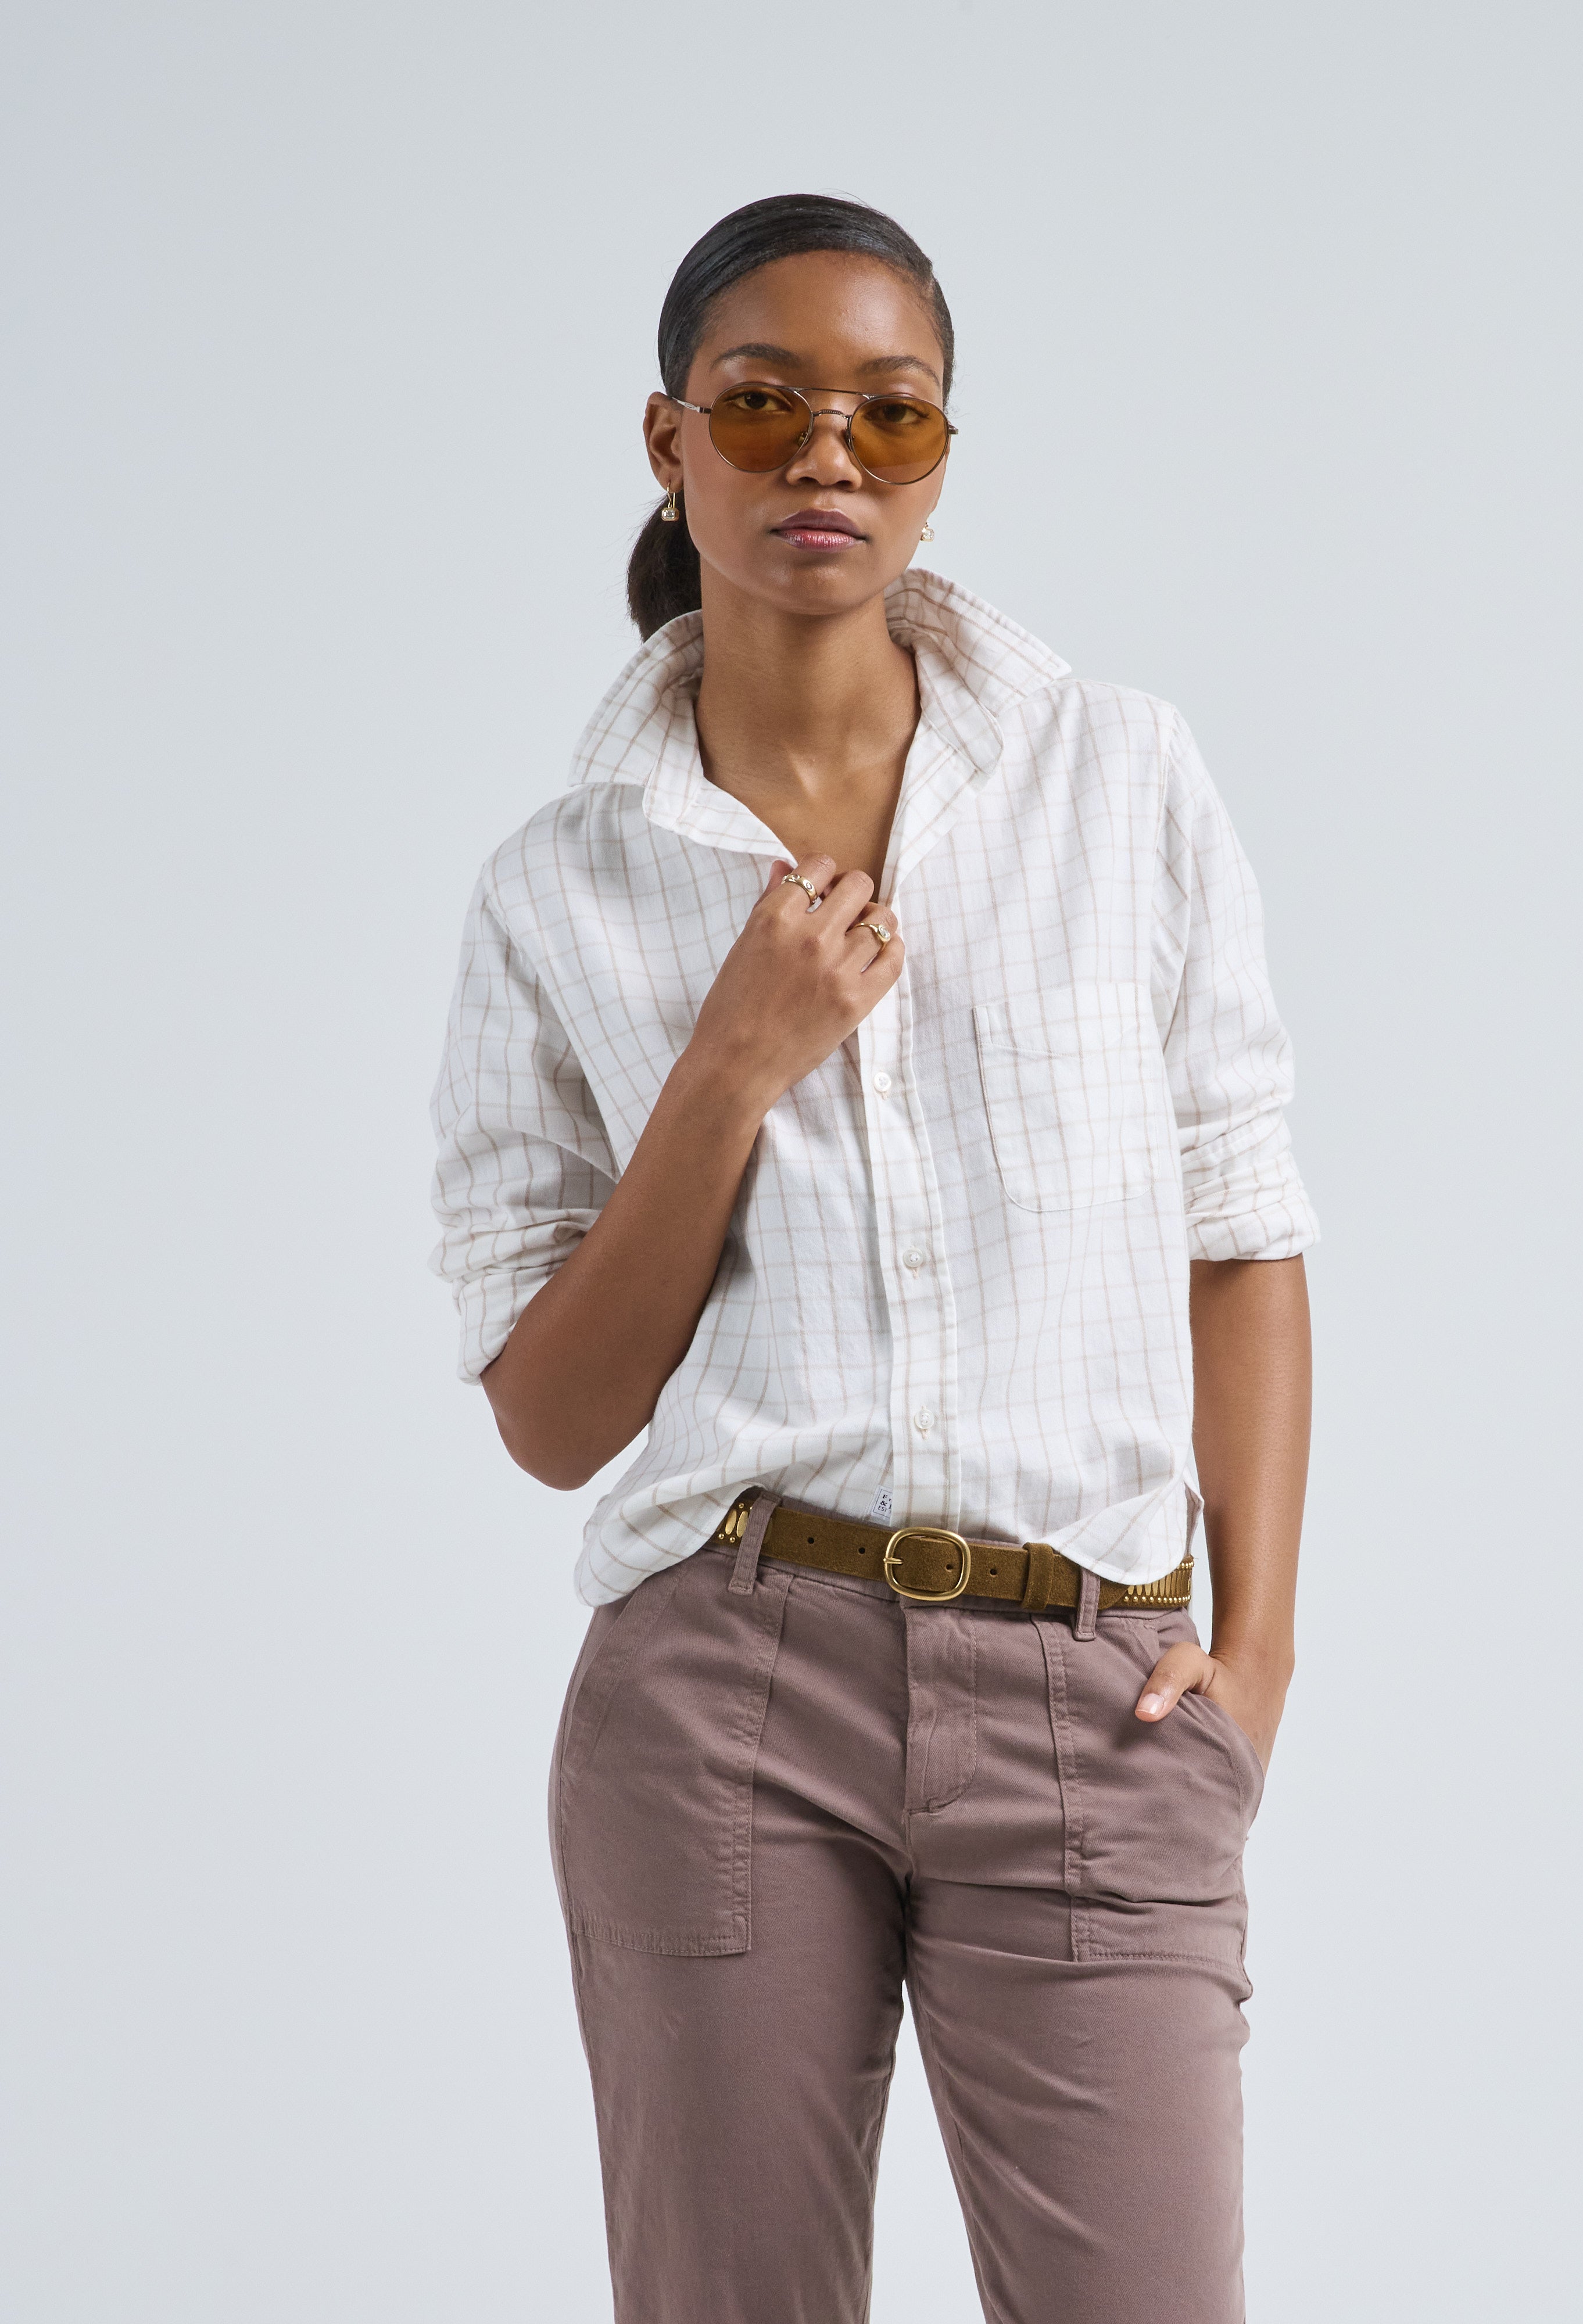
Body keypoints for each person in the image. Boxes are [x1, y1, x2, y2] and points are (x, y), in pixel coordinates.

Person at [429, 192, 1317, 2324]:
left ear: (938, 453)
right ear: (670, 442)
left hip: (1097, 1683)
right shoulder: (558, 889)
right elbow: (553, 1418)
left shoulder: (1121, 779)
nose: (825, 453)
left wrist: (1260, 1658)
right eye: (763, 404)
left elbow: (1244, 1229)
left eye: (887, 413)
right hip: (725, 1694)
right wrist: (730, 1068)